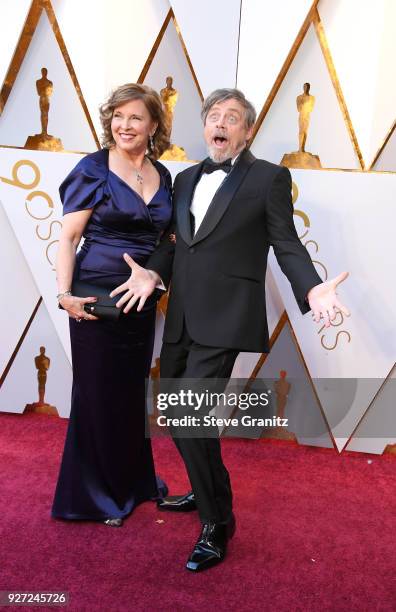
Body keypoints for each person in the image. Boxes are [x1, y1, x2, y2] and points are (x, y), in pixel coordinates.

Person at [110, 88, 349, 567]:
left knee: (189, 415)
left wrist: (311, 287)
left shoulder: (269, 179)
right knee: (176, 415)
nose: (221, 123)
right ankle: (203, 489)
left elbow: (286, 243)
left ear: (248, 130)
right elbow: (176, 243)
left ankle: (218, 523)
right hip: (181, 316)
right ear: (204, 125)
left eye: (232, 117)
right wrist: (154, 272)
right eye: (214, 115)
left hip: (227, 317)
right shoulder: (186, 177)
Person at [51, 83, 172, 527]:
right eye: (118, 117)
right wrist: (65, 295)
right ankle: (96, 497)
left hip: (140, 300)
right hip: (95, 295)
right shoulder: (93, 169)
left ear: (153, 125)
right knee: (97, 395)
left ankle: (133, 483)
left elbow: (167, 239)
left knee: (128, 393)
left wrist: (154, 276)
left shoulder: (164, 174)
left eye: (135, 117)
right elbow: (68, 237)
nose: (125, 125)